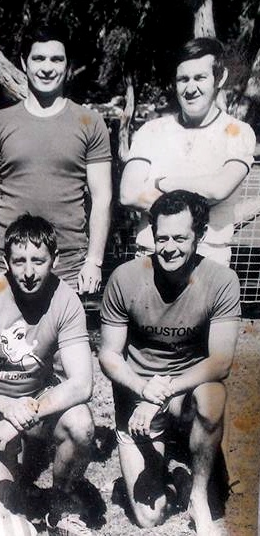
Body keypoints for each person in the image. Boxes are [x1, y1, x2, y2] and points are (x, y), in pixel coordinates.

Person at [99, 190, 240, 535]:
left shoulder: (221, 281)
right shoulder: (125, 278)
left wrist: (161, 394)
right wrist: (142, 389)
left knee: (214, 396)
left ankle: (198, 498)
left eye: (180, 238)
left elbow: (221, 362)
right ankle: (176, 472)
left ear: (200, 235)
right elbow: (109, 354)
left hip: (183, 393)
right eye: (162, 238)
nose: (169, 248)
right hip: (138, 396)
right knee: (150, 516)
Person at [0, 214, 95, 536]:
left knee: (80, 423)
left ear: (55, 259)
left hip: (34, 412)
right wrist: (4, 406)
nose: (28, 272)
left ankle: (60, 505)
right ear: (6, 262)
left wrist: (21, 415)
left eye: (38, 261)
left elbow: (82, 383)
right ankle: (7, 475)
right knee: (7, 525)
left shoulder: (66, 300)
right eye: (19, 261)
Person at [0, 24, 112, 295]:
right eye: (38, 58)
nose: (47, 68)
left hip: (68, 266)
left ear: (68, 66)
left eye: (56, 59)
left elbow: (102, 197)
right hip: (9, 263)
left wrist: (94, 261)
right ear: (24, 63)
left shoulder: (91, 122)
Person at [120, 38, 256, 266]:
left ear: (220, 78)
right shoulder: (151, 131)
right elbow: (129, 194)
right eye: (183, 79)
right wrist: (200, 190)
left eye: (200, 78)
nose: (191, 89)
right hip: (151, 258)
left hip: (208, 260)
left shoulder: (237, 132)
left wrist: (162, 183)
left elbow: (217, 189)